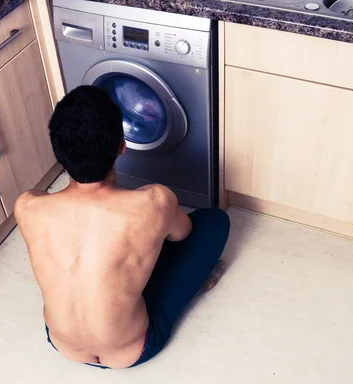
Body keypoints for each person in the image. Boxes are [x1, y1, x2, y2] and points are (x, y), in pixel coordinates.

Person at [14, 85, 230, 369]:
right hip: (134, 349)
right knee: (215, 222)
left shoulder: (27, 206)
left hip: (62, 344)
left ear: (58, 153)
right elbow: (184, 234)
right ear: (122, 146)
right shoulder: (155, 201)